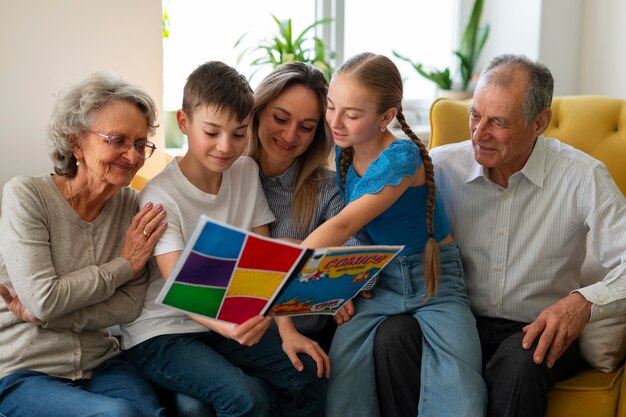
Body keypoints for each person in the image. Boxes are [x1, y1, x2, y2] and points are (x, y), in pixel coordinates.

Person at [120, 61, 328, 417]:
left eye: (238, 133)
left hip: (224, 323)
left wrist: (287, 330)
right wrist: (228, 327)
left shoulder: (246, 171)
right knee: (245, 398)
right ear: (184, 123)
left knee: (308, 374)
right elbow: (178, 284)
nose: (225, 146)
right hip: (162, 333)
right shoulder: (160, 193)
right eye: (212, 132)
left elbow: (267, 259)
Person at [429, 53, 626, 417]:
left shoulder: (583, 176)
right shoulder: (439, 167)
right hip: (456, 322)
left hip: (537, 329)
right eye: (475, 115)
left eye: (498, 121)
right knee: (394, 337)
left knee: (522, 359)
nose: (479, 133)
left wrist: (583, 302)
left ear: (540, 122)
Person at [300, 52, 487, 417]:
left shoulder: (402, 158)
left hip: (436, 281)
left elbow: (343, 226)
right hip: (380, 280)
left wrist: (282, 270)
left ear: (387, 116)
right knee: (342, 384)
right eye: (331, 107)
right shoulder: (344, 155)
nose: (335, 122)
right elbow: (356, 237)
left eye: (352, 115)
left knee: (460, 392)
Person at [0, 72, 167, 416]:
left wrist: (48, 319)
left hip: (101, 362)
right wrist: (124, 265)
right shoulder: (27, 195)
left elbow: (129, 306)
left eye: (140, 144)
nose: (132, 156)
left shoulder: (134, 207)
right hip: (23, 370)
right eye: (117, 140)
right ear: (75, 142)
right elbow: (44, 298)